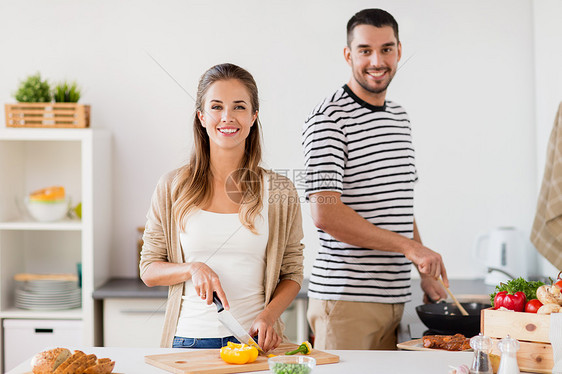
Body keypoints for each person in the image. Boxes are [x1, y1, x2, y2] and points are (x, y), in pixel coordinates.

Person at [302, 8, 449, 350]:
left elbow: (398, 203)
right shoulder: (329, 117)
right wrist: (410, 248)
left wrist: (425, 275)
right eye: (365, 50)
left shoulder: (399, 117)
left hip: (395, 298)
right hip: (346, 302)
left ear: (399, 51)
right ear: (348, 54)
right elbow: (326, 214)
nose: (376, 61)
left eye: (386, 49)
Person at [140, 63, 304, 351]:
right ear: (202, 116)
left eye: (239, 107)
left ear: (254, 116)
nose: (227, 117)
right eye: (216, 107)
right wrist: (192, 269)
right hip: (188, 342)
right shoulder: (171, 186)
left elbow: (292, 273)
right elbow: (149, 269)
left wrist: (268, 316)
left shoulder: (279, 191)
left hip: (253, 344)